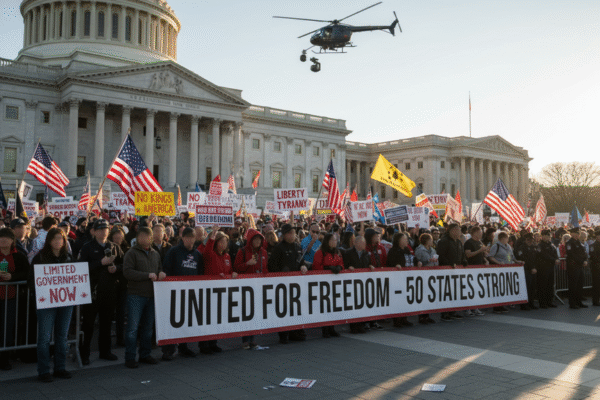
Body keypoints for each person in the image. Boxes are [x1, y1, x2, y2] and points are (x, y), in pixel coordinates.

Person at [77, 219, 124, 365]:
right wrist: (100, 263)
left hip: (109, 291)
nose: (104, 232)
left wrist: (116, 268)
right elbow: (80, 267)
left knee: (106, 323)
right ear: (94, 231)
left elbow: (124, 264)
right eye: (100, 229)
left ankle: (105, 351)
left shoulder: (114, 247)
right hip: (92, 291)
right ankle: (84, 354)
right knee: (88, 324)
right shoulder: (87, 247)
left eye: (106, 229)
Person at [30, 228, 72, 382]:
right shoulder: (40, 257)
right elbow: (31, 280)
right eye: (54, 238)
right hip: (46, 303)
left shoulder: (69, 257)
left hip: (66, 302)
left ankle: (60, 368)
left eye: (60, 238)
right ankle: (43, 371)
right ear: (48, 240)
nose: (58, 241)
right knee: (44, 338)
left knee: (62, 337)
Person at [123, 227, 164, 368]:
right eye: (143, 236)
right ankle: (130, 357)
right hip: (136, 295)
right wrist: (146, 275)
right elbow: (127, 272)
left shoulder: (155, 253)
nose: (146, 239)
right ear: (138, 238)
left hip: (151, 295)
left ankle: (145, 354)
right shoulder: (131, 253)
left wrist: (161, 273)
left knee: (148, 328)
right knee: (132, 329)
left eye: (148, 236)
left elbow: (159, 268)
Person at [161, 227, 204, 360]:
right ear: (183, 238)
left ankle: (183, 347)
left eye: (192, 238)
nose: (190, 240)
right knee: (172, 321)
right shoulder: (174, 251)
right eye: (188, 237)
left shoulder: (197, 254)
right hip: (174, 292)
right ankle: (168, 350)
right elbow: (166, 268)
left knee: (186, 321)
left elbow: (200, 273)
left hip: (190, 293)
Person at [268, 223, 308, 343]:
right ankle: (283, 334)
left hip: (296, 285)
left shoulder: (297, 247)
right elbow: (271, 266)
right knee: (284, 310)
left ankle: (295, 332)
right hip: (282, 285)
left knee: (295, 309)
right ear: (284, 235)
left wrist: (304, 266)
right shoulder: (279, 248)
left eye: (293, 233)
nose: (292, 235)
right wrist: (282, 272)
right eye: (290, 233)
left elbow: (301, 261)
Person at [202, 225, 238, 353]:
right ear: (216, 243)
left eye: (225, 241)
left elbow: (230, 270)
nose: (224, 244)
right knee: (207, 319)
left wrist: (233, 273)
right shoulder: (211, 254)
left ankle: (213, 342)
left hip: (221, 292)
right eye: (221, 241)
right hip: (209, 291)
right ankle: (204, 345)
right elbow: (207, 250)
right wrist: (213, 234)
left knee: (216, 319)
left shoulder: (227, 256)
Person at [233, 228, 268, 349]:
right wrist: (247, 264)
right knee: (246, 314)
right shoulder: (242, 251)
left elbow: (265, 268)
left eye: (259, 239)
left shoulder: (263, 252)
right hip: (246, 287)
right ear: (250, 240)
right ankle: (245, 340)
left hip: (259, 286)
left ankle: (253, 339)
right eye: (255, 239)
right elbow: (236, 268)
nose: (258, 241)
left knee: (256, 313)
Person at [0, 227, 29, 371]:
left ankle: (4, 359)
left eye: (7, 237)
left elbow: (27, 273)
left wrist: (12, 277)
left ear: (12, 240)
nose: (3, 240)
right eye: (1, 237)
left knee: (6, 329)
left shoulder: (19, 256)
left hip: (11, 298)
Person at [312, 233, 344, 338]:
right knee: (325, 306)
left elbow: (341, 263)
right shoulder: (320, 252)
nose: (335, 242)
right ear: (328, 241)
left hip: (334, 284)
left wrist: (339, 267)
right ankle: (325, 329)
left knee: (333, 306)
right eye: (333, 240)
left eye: (335, 240)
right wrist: (328, 268)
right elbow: (316, 267)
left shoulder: (337, 252)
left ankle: (332, 328)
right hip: (323, 284)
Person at [436, 224, 467, 321]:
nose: (460, 233)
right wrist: (449, 264)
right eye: (458, 230)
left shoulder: (458, 242)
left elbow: (462, 254)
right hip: (446, 271)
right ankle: (445, 313)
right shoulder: (444, 241)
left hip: (456, 272)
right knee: (446, 292)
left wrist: (464, 261)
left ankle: (453, 311)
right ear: (452, 231)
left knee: (455, 292)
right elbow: (440, 255)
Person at [342, 235, 371, 333]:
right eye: (363, 242)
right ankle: (354, 326)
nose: (364, 244)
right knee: (353, 304)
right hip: (352, 282)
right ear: (356, 243)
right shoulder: (348, 253)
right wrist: (348, 268)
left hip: (363, 283)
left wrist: (371, 266)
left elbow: (368, 263)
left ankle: (361, 324)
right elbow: (344, 265)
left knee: (361, 304)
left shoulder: (366, 253)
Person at [488, 231, 517, 314]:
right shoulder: (496, 246)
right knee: (498, 288)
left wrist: (516, 261)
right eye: (507, 238)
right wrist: (499, 262)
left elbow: (510, 256)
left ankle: (502, 304)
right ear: (503, 238)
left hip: (507, 270)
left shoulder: (508, 246)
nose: (508, 239)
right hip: (498, 270)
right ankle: (496, 306)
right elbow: (490, 257)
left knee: (504, 288)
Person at [463, 226, 488, 317]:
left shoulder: (480, 242)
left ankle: (475, 307)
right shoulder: (469, 242)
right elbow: (468, 254)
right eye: (480, 232)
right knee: (469, 289)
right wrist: (480, 250)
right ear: (475, 232)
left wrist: (485, 259)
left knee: (476, 289)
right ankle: (467, 308)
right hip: (471, 268)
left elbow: (481, 254)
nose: (481, 234)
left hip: (479, 268)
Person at [414, 233, 438, 324]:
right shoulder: (420, 250)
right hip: (422, 275)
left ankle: (427, 315)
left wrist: (435, 261)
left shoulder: (433, 250)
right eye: (430, 239)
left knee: (429, 295)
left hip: (431, 274)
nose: (432, 241)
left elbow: (436, 261)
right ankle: (421, 316)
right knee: (422, 295)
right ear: (426, 240)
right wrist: (427, 261)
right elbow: (417, 262)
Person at [565, 227, 588, 309]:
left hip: (579, 266)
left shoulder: (579, 242)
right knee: (573, 286)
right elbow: (572, 255)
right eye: (576, 233)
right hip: (573, 267)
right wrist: (582, 261)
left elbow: (584, 252)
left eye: (578, 233)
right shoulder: (569, 243)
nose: (577, 235)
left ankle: (579, 302)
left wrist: (585, 260)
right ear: (571, 234)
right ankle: (572, 303)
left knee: (580, 285)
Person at [515, 233, 538, 310]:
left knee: (532, 288)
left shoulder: (533, 247)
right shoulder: (521, 248)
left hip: (533, 269)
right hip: (526, 270)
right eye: (528, 240)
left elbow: (535, 259)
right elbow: (524, 259)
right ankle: (524, 305)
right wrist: (531, 268)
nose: (530, 241)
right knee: (525, 287)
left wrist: (534, 267)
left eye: (531, 240)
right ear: (525, 240)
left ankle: (531, 303)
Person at [537, 229, 559, 309]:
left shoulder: (551, 245)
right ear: (542, 236)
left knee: (550, 285)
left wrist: (557, 259)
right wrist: (554, 260)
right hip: (543, 267)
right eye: (546, 236)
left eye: (549, 236)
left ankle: (549, 301)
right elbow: (544, 255)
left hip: (551, 267)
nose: (548, 237)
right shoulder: (540, 245)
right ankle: (543, 303)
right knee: (543, 285)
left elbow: (555, 253)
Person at [589, 230, 600, 306]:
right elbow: (593, 256)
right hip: (596, 267)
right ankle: (595, 301)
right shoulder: (593, 245)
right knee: (596, 284)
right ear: (597, 236)